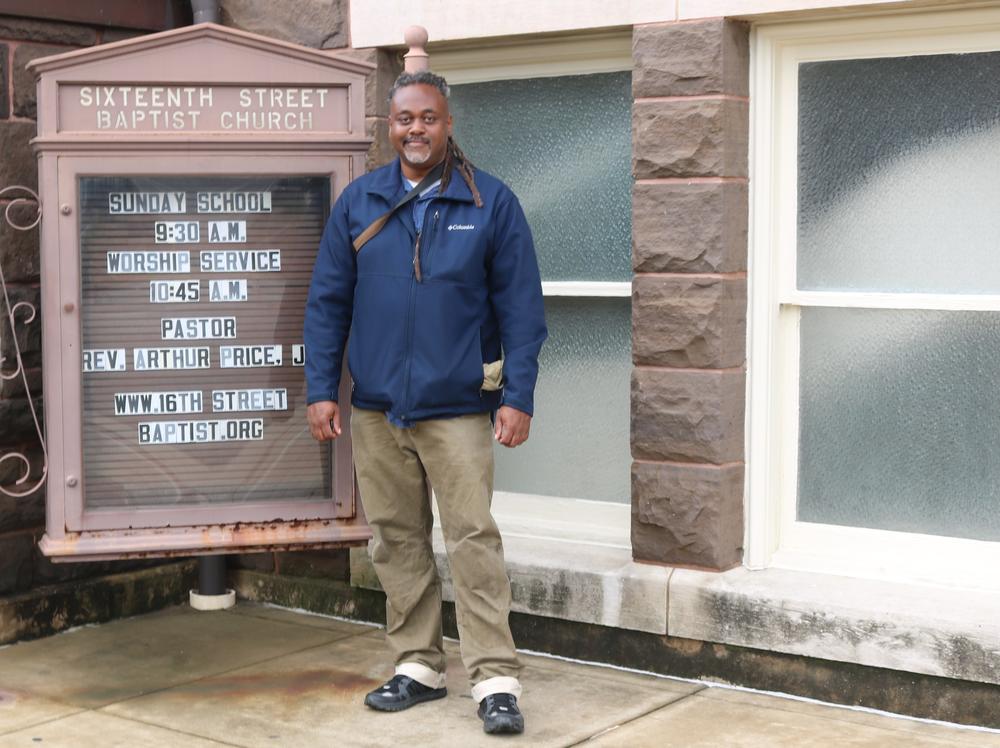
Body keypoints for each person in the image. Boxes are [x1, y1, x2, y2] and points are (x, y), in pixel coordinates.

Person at [304, 70, 547, 736]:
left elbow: (522, 311)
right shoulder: (359, 202)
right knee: (397, 541)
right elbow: (327, 304)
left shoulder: (489, 202)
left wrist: (516, 396)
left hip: (460, 409)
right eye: (405, 117)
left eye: (429, 117)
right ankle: (419, 666)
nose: (417, 128)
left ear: (448, 123)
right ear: (391, 126)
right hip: (377, 409)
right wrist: (322, 390)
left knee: (472, 541)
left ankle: (495, 678)